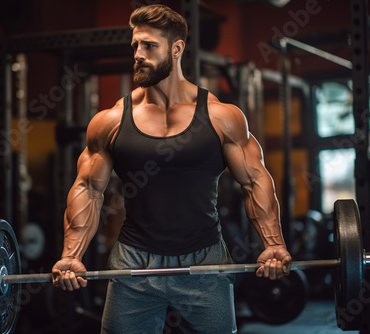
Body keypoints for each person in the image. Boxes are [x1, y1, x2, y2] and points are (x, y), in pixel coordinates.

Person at [52, 4, 292, 333]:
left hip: (205, 260)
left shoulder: (222, 117)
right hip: (133, 262)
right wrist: (71, 254)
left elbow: (254, 181)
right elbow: (88, 190)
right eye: (135, 45)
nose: (138, 53)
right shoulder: (110, 121)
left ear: (176, 49)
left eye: (149, 45)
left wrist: (274, 244)